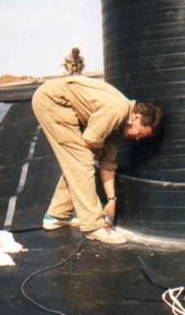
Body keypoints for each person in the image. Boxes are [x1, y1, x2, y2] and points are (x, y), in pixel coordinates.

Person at [32, 75, 163, 245]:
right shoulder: (119, 108)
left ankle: (56, 216)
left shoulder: (119, 126)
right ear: (136, 118)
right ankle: (93, 227)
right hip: (53, 101)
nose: (136, 139)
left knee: (78, 162)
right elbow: (90, 140)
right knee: (81, 162)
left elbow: (108, 166)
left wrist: (111, 201)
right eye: (139, 134)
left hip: (59, 104)